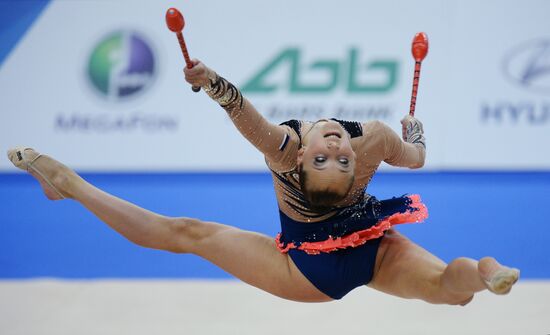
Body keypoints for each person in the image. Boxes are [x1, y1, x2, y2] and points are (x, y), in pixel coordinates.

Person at [7, 59, 519, 305]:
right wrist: (416, 132)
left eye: (332, 156)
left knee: (188, 233)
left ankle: (482, 272)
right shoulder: (375, 139)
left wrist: (213, 84)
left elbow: (245, 114)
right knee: (451, 291)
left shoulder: (292, 150)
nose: (338, 149)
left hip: (326, 266)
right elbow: (418, 159)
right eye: (336, 158)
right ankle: (482, 271)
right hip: (344, 259)